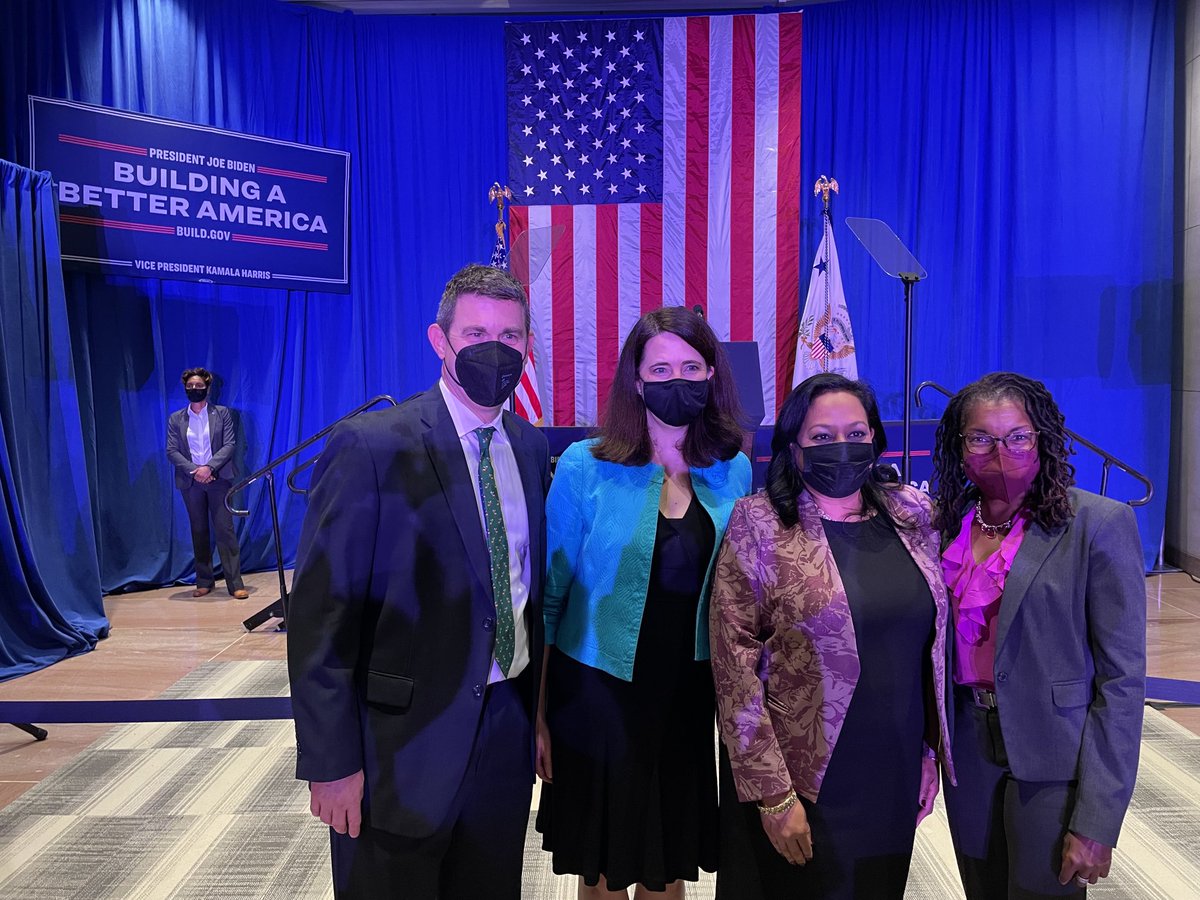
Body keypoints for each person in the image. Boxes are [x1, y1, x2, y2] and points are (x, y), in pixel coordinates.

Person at [286, 263, 551, 900]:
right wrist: (331, 763)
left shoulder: (530, 446)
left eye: (511, 336)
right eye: (477, 333)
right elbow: (321, 619)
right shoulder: (371, 446)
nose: (495, 348)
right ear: (440, 341)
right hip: (398, 746)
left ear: (527, 345)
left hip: (504, 728)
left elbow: (523, 593)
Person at [710, 373, 954, 899]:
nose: (842, 446)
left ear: (875, 439)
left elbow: (927, 650)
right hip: (801, 777)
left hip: (892, 764)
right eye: (822, 437)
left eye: (856, 433)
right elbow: (733, 666)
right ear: (794, 448)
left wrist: (927, 753)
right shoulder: (759, 522)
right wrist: (773, 795)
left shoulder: (913, 514)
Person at [535, 306, 752, 899]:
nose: (676, 380)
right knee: (605, 864)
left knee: (668, 860)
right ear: (635, 380)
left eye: (690, 367)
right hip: (597, 691)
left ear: (711, 374)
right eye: (660, 369)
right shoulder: (585, 465)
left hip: (688, 691)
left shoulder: (732, 468)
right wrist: (540, 712)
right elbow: (550, 600)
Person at [931, 372, 1145, 898]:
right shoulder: (942, 525)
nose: (1000, 452)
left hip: (1054, 752)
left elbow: (1121, 682)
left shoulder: (1098, 524)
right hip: (967, 746)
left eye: (1017, 437)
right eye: (981, 438)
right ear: (959, 447)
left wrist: (1098, 819)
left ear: (1043, 440)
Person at [165, 367, 247, 599]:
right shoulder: (176, 418)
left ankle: (235, 584)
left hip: (218, 479)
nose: (194, 389)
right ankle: (204, 580)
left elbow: (230, 445)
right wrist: (196, 471)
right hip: (191, 482)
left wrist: (209, 468)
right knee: (199, 530)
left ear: (208, 388)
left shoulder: (222, 413)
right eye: (190, 386)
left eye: (199, 385)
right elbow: (171, 451)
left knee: (225, 530)